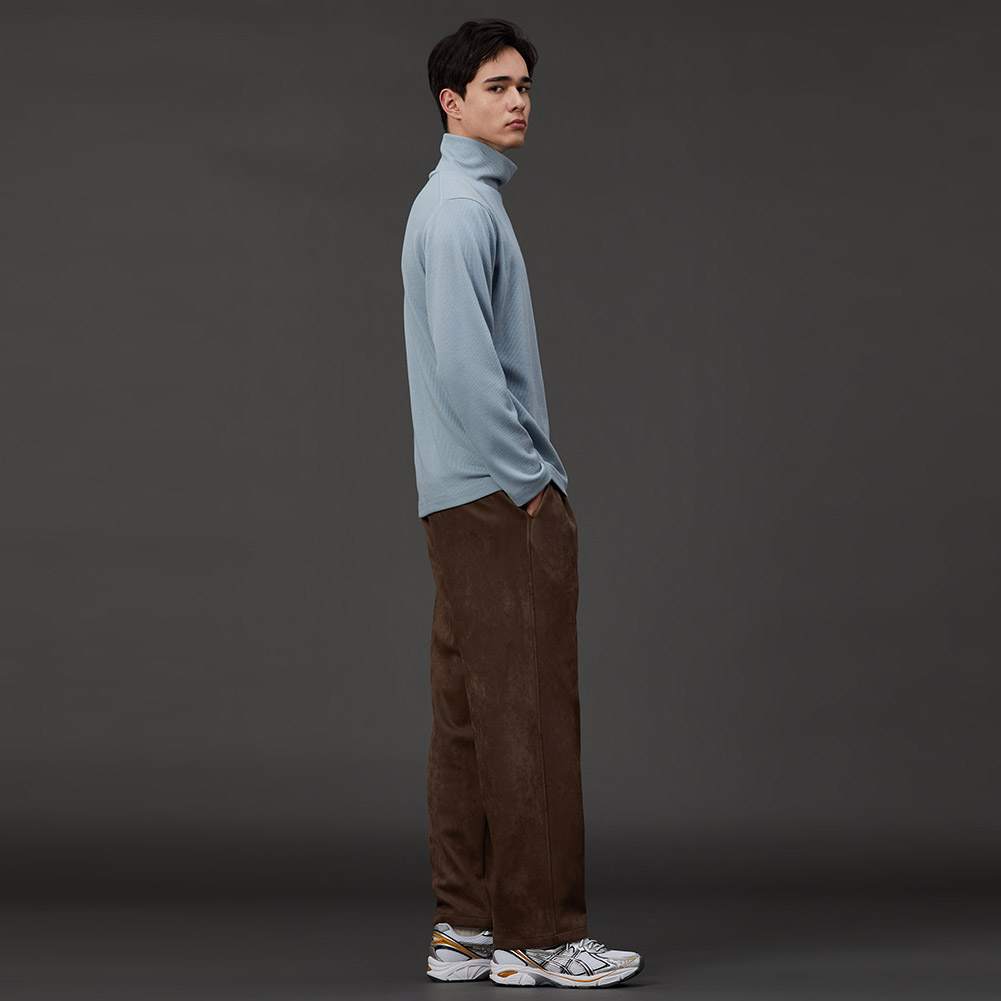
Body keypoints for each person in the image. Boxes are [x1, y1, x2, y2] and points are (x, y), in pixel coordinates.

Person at [400, 18, 644, 989]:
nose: (518, 102)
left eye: (525, 86)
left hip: (456, 501)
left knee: (469, 718)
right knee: (532, 714)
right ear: (450, 102)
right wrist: (533, 483)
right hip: (498, 504)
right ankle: (539, 936)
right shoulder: (462, 210)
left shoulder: (450, 203)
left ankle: (463, 928)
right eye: (496, 86)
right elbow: (467, 371)